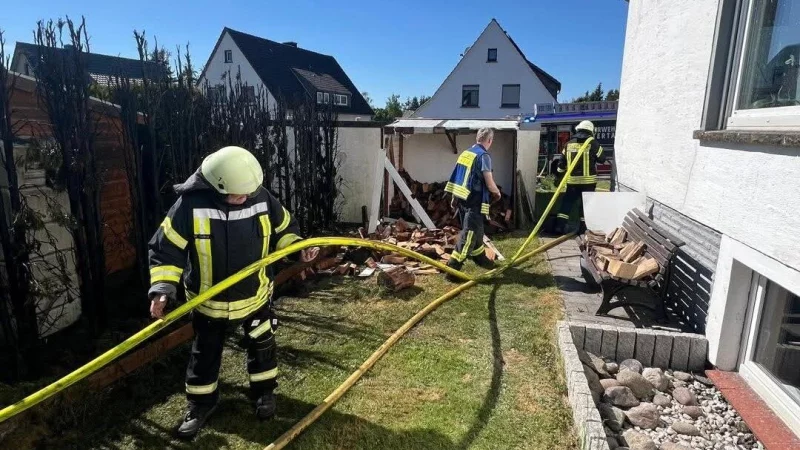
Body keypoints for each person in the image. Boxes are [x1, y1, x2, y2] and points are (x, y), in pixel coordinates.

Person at [147, 146, 319, 439]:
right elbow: (166, 250)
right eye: (238, 195)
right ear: (216, 186)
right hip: (209, 304)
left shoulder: (260, 196)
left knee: (263, 346)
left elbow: (284, 230)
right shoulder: (189, 206)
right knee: (205, 355)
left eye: (249, 193)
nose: (245, 199)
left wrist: (297, 250)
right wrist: (162, 289)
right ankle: (201, 405)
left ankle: (264, 393)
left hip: (255, 296)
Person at [444, 128, 501, 280]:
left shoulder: (466, 153)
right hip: (475, 201)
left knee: (478, 231)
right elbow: (489, 181)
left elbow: (458, 177)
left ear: (477, 138)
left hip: (463, 200)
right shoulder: (483, 156)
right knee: (469, 235)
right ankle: (453, 268)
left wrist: (454, 198)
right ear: (490, 140)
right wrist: (497, 193)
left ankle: (479, 258)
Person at [554, 120, 606, 235]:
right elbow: (602, 159)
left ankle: (560, 226)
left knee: (567, 203)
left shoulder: (568, 144)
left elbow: (561, 165)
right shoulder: (593, 143)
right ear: (591, 131)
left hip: (572, 182)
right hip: (589, 183)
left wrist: (558, 175)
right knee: (585, 205)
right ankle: (583, 229)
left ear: (578, 129)